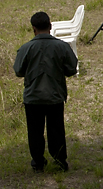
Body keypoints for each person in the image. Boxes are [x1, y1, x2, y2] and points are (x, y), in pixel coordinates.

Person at [13, 11, 79, 172]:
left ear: (33, 29)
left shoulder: (26, 48)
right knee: (56, 129)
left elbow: (18, 71)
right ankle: (60, 160)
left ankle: (37, 162)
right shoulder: (62, 47)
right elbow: (71, 69)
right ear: (50, 26)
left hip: (33, 97)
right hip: (54, 96)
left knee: (34, 131)